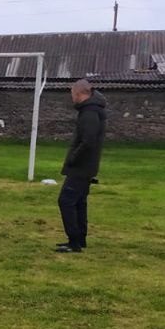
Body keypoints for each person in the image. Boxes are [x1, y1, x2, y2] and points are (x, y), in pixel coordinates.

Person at [57, 79, 107, 253]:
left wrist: (73, 158)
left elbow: (88, 141)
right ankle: (80, 239)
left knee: (66, 200)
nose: (72, 97)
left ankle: (74, 242)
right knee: (78, 202)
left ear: (79, 93)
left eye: (72, 94)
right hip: (86, 166)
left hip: (81, 166)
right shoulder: (92, 110)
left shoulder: (89, 113)